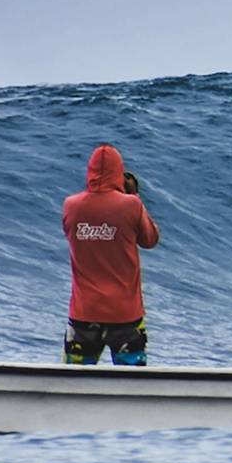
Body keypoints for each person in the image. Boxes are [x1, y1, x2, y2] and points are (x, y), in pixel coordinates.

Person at [62, 144, 161, 365]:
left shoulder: (71, 206)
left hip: (83, 314)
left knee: (73, 388)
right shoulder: (131, 205)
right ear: (119, 173)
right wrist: (133, 194)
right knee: (131, 388)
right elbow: (150, 239)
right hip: (125, 316)